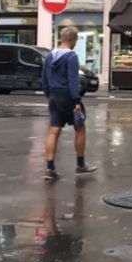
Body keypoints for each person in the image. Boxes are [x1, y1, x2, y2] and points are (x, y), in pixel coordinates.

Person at [41, 26, 96, 181]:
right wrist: (76, 100)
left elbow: (43, 79)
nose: (75, 44)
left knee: (54, 131)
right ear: (71, 40)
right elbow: (73, 80)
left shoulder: (49, 55)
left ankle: (49, 169)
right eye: (75, 40)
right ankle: (80, 165)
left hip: (53, 96)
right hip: (68, 97)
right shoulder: (71, 56)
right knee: (80, 128)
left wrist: (49, 95)